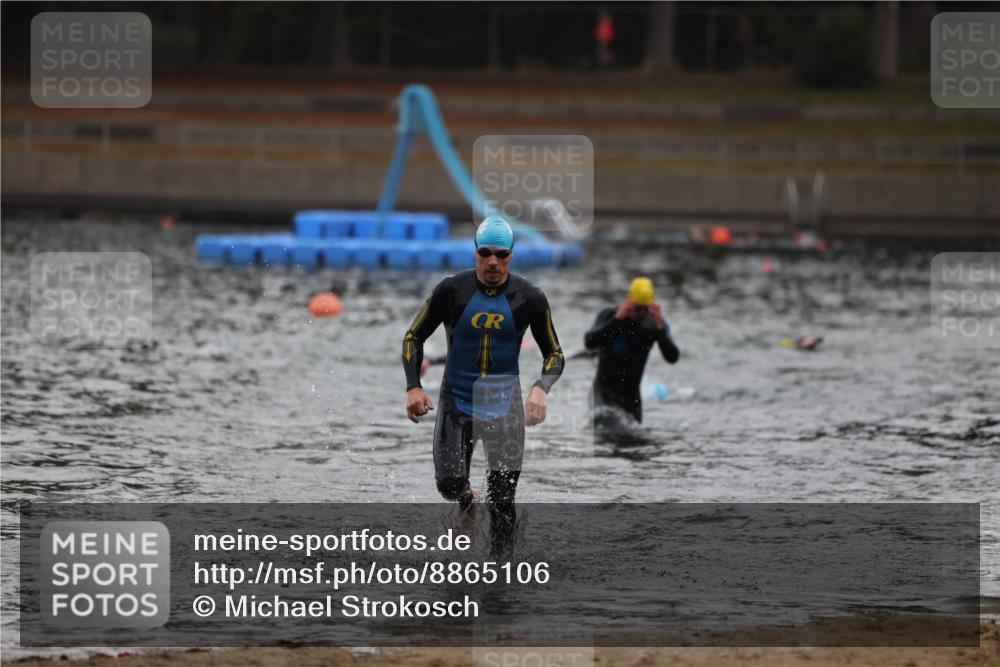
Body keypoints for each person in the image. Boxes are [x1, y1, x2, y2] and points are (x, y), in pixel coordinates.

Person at [402, 215, 565, 554]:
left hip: (505, 407)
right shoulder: (451, 290)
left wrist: (540, 388)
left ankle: (500, 578)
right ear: (475, 252)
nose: (493, 261)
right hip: (457, 402)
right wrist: (414, 386)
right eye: (486, 253)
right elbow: (413, 336)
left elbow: (555, 354)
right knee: (449, 484)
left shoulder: (530, 298)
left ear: (511, 255)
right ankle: (466, 500)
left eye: (501, 255)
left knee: (503, 502)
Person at [584, 277, 680, 425]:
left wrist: (660, 331)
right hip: (602, 395)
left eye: (645, 309)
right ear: (629, 302)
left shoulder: (655, 323)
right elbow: (589, 343)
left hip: (631, 401)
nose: (641, 313)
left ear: (651, 306)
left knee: (634, 442)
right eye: (637, 308)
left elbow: (672, 357)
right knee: (610, 428)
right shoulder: (610, 315)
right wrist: (616, 321)